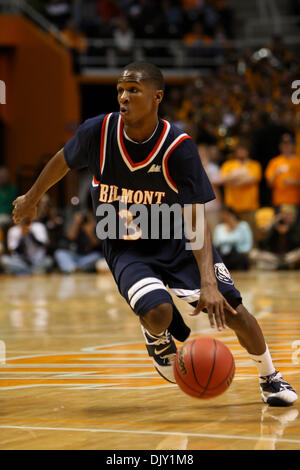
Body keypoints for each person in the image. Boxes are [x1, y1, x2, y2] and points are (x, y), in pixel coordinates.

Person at [12, 61, 297, 406]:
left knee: (234, 312)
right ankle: (156, 334)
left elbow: (195, 218)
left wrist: (208, 281)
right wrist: (31, 198)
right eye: (120, 89)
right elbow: (62, 160)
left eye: (133, 90)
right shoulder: (98, 132)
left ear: (157, 96)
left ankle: (270, 376)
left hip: (174, 241)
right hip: (124, 244)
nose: (124, 97)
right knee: (159, 312)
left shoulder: (178, 146)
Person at [249, 204, 300, 270]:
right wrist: (271, 224)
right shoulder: (276, 225)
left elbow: (297, 243)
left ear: (294, 216)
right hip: (275, 257)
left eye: (289, 214)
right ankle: (283, 266)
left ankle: (279, 266)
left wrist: (288, 231)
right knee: (253, 253)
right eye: (284, 214)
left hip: (289, 256)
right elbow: (263, 244)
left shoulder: (296, 226)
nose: (286, 217)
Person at [265, 133, 300, 209]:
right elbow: (269, 183)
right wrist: (276, 173)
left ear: (293, 146)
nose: (286, 146)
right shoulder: (274, 162)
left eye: (289, 144)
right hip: (279, 201)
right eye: (284, 144)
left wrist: (294, 182)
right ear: (280, 146)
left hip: (296, 201)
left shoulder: (298, 162)